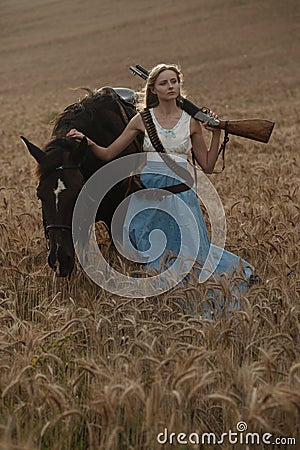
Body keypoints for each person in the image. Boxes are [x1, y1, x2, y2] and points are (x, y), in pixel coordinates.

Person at [67, 63, 254, 309]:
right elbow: (107, 154)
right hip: (148, 201)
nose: (170, 87)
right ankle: (165, 307)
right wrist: (88, 141)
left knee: (192, 257)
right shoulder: (141, 120)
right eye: (164, 83)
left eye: (174, 82)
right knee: (154, 257)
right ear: (153, 89)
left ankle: (199, 301)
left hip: (181, 200)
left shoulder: (191, 122)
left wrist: (218, 131)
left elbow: (207, 165)